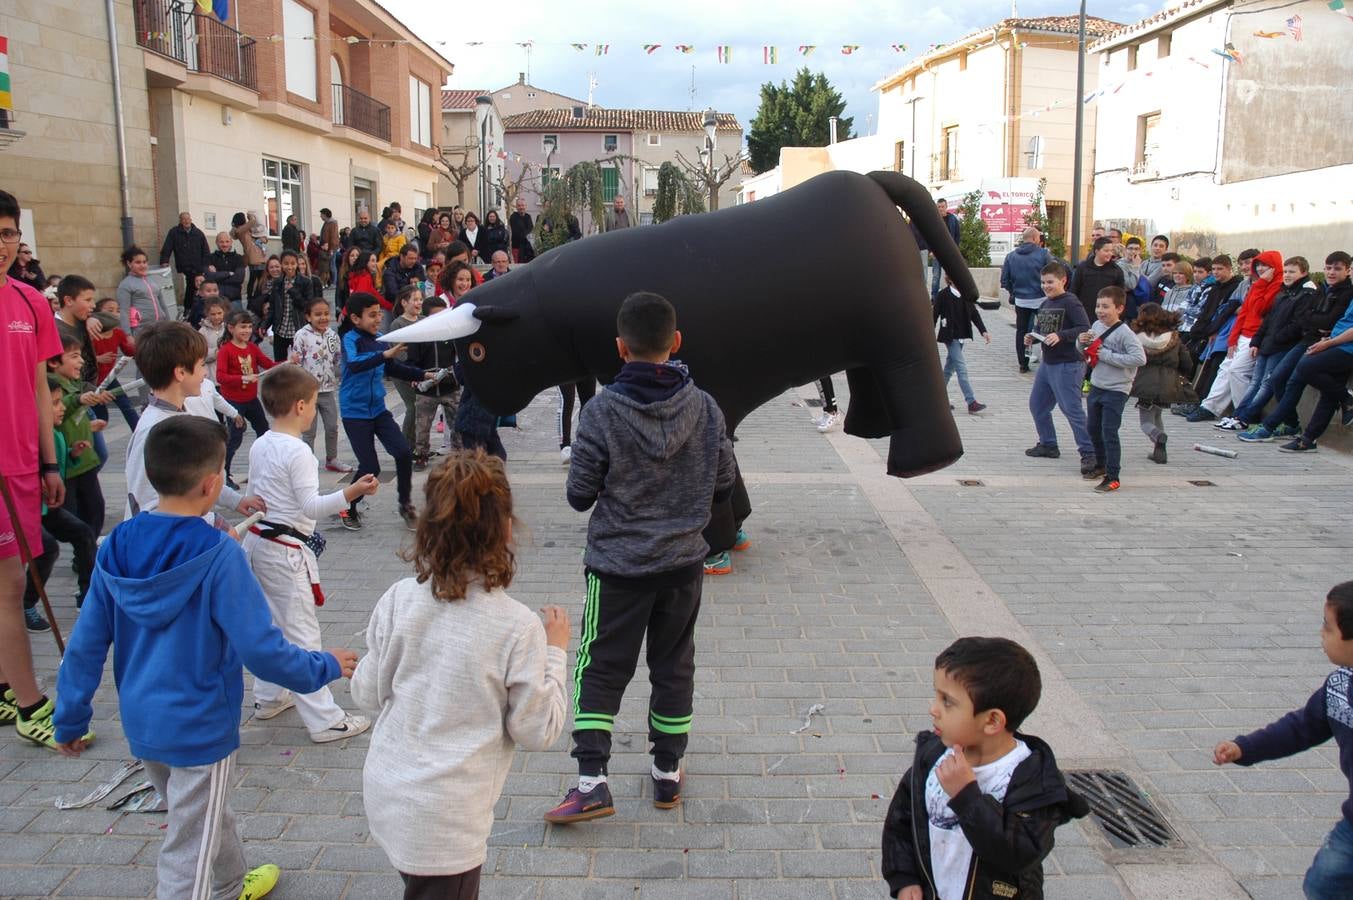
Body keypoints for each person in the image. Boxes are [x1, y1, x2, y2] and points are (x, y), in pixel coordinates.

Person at [54, 414, 358, 900]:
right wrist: (323, 665)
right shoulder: (220, 554)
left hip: (144, 722)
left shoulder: (114, 548)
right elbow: (263, 651)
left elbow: (86, 645)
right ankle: (210, 887)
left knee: (200, 813)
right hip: (200, 725)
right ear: (214, 483)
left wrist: (68, 717)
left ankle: (230, 883)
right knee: (187, 847)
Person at [545, 291, 736, 825]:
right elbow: (724, 484)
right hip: (682, 566)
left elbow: (580, 494)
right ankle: (667, 774)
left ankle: (591, 782)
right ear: (675, 343)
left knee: (600, 666)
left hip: (618, 567)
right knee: (674, 664)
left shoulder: (602, 410)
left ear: (620, 348)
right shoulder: (705, 406)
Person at [353, 450, 569, 898]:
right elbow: (536, 730)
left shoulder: (397, 598)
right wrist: (555, 654)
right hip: (447, 823)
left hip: (388, 792)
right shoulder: (517, 626)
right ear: (505, 529)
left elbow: (368, 696)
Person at [882, 637, 1087, 900]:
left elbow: (1019, 854)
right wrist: (904, 877)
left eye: (947, 701)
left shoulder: (1033, 782)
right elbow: (902, 820)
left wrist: (967, 797)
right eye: (936, 695)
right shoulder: (933, 757)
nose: (933, 709)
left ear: (991, 721)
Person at [245, 364, 377, 742]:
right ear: (301, 406)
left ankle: (269, 696)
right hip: (284, 551)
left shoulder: (261, 442)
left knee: (271, 626)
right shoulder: (298, 451)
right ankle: (324, 719)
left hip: (258, 543)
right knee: (302, 633)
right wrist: (352, 493)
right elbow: (310, 507)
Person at [1213, 581, 1353, 900]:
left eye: (1327, 626)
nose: (1321, 633)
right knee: (1323, 883)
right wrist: (1245, 747)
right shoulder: (1339, 686)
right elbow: (1300, 728)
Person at [0, 188, 70, 747]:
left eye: (7, 234)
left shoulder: (28, 301)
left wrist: (50, 462)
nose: (1, 245)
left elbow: (39, 385)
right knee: (9, 586)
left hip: (23, 465)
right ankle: (29, 703)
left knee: (12, 578)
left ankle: (6, 684)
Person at [337, 292, 433, 531]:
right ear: (356, 319)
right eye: (372, 315)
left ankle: (406, 504)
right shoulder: (350, 339)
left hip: (378, 409)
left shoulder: (380, 338)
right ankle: (347, 505)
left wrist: (422, 374)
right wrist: (384, 354)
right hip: (354, 412)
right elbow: (355, 364)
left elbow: (393, 367)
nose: (378, 318)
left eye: (379, 313)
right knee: (370, 467)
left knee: (402, 453)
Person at [1227, 257, 1318, 431]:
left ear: (1304, 273)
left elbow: (1297, 324)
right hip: (1267, 343)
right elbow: (1268, 319)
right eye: (1285, 271)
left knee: (1268, 383)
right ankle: (1239, 415)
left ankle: (1245, 417)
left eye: (1292, 272)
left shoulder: (1307, 293)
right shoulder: (1284, 291)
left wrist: (1275, 338)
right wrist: (1257, 340)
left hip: (1281, 346)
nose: (1288, 275)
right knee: (1256, 382)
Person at [32, 378, 98, 617]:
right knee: (45, 548)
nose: (61, 408)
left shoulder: (55, 434)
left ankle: (88, 594)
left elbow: (57, 463)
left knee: (84, 533)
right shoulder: (32, 437)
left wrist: (72, 454)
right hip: (30, 508)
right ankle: (27, 603)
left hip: (48, 505)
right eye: (55, 403)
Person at [1194, 249, 1283, 424]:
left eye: (1266, 265)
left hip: (1256, 336)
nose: (1261, 269)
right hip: (1242, 334)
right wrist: (1233, 339)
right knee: (1225, 369)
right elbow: (1243, 314)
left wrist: (1260, 285)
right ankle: (1210, 407)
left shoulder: (1276, 286)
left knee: (1237, 372)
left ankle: (1244, 414)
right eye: (1259, 265)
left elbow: (1260, 309)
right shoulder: (1252, 284)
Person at [1024, 263, 1097, 475]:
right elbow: (1042, 329)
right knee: (1038, 405)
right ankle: (1048, 443)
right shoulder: (1045, 303)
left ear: (1062, 280)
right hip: (1048, 363)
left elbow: (1085, 328)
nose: (1046, 286)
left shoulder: (1071, 301)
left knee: (1071, 409)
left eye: (1050, 282)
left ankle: (1089, 452)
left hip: (1068, 363)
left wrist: (1062, 336)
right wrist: (1032, 337)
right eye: (1043, 282)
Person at [1076, 286, 1146, 492]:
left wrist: (1105, 354)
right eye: (1098, 306)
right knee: (1093, 428)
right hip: (1097, 385)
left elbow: (1139, 359)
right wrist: (1081, 343)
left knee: (1109, 431)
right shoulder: (1096, 325)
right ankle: (1101, 464)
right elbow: (1087, 351)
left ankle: (1113, 476)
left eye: (1106, 307)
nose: (1100, 310)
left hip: (1117, 389)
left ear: (1120, 308)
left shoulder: (1125, 334)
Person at [47, 337, 108, 539]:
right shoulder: (50, 388)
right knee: (70, 517)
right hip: (69, 466)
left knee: (96, 509)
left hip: (85, 460)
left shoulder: (74, 384)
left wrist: (88, 427)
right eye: (74, 356)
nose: (81, 361)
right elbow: (64, 407)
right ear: (53, 362)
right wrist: (79, 399)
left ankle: (86, 553)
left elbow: (71, 419)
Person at [1129, 302, 1195, 465]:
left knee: (1146, 422)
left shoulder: (1136, 338)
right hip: (1169, 384)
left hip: (1145, 384)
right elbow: (1187, 363)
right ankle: (1159, 451)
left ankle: (1158, 437)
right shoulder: (1173, 338)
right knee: (1158, 414)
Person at [217, 311, 276, 487]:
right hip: (233, 401)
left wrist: (288, 362)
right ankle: (224, 474)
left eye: (249, 326)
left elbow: (268, 364)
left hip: (250, 399)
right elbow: (221, 377)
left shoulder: (252, 347)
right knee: (235, 437)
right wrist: (243, 378)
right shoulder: (226, 350)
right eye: (243, 327)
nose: (247, 330)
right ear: (231, 328)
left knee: (264, 432)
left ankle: (264, 468)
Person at [291, 297, 350, 473]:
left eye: (326, 314)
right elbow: (296, 362)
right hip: (307, 392)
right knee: (309, 430)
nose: (323, 318)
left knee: (332, 426)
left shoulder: (333, 335)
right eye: (318, 314)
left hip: (328, 389)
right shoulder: (301, 335)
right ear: (308, 316)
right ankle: (306, 462)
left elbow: (337, 358)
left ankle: (332, 459)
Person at [405, 294, 461, 469]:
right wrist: (415, 376)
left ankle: (459, 453)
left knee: (457, 422)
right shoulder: (418, 335)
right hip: (426, 389)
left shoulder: (451, 334)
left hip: (450, 386)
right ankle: (421, 454)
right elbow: (411, 361)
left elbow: (459, 357)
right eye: (436, 316)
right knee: (422, 425)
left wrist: (455, 374)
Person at [934, 275, 990, 414]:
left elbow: (974, 314)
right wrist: (928, 335)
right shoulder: (943, 295)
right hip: (950, 337)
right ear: (950, 279)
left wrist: (983, 331)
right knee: (961, 368)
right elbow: (933, 315)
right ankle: (971, 402)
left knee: (948, 370)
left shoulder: (966, 295)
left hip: (961, 337)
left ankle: (936, 400)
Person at [1001, 227, 1052, 372]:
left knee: (1022, 332)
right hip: (1041, 299)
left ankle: (1023, 363)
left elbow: (1004, 280)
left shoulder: (1011, 256)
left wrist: (1013, 292)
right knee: (1046, 329)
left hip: (1021, 300)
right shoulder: (1043, 254)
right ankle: (1048, 360)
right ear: (1036, 239)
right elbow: (1053, 273)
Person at [89, 297, 140, 429]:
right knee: (101, 414)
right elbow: (82, 356)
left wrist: (140, 347)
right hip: (93, 379)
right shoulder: (90, 334)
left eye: (117, 310)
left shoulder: (118, 333)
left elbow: (129, 351)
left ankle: (140, 432)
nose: (115, 313)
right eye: (110, 310)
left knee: (126, 405)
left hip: (109, 377)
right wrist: (98, 359)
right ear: (98, 313)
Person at [387, 285, 423, 447]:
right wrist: (413, 371)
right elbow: (400, 354)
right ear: (404, 302)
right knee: (413, 406)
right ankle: (406, 445)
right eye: (415, 300)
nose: (418, 303)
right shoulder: (398, 324)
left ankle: (419, 443)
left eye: (420, 299)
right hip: (403, 373)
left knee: (421, 408)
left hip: (422, 371)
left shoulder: (424, 320)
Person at [263, 249, 314, 361]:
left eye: (292, 263)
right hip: (280, 329)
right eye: (286, 263)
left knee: (299, 362)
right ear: (281, 264)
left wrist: (293, 291)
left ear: (297, 264)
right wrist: (265, 325)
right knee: (280, 362)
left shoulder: (306, 282)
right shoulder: (278, 282)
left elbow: (307, 307)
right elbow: (273, 308)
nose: (289, 267)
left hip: (297, 328)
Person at [160, 212, 211, 325]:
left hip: (198, 265)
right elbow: (167, 246)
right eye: (184, 219)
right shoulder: (174, 232)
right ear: (180, 220)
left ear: (191, 219)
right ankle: (189, 309)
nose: (186, 221)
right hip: (186, 265)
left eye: (188, 219)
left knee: (195, 286)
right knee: (192, 286)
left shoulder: (198, 233)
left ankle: (192, 308)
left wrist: (206, 264)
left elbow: (205, 250)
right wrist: (164, 261)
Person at [117, 245, 172, 336]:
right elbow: (124, 311)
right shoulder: (125, 285)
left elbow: (163, 306)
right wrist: (127, 335)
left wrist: (170, 326)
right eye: (138, 262)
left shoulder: (153, 282)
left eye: (144, 262)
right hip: (142, 330)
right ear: (129, 264)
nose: (142, 265)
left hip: (160, 327)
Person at [1069, 238, 1126, 320]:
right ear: (1096, 251)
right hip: (1084, 314)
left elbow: (1120, 295)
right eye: (1106, 251)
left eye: (1111, 251)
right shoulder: (1083, 267)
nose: (1110, 254)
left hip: (1107, 316)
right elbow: (1074, 290)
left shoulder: (1116, 270)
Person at [203, 231, 246, 309]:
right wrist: (228, 274)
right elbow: (208, 277)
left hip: (234, 300)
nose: (225, 244)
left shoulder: (238, 258)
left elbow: (239, 278)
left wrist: (217, 276)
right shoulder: (210, 258)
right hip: (216, 300)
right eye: (221, 242)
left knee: (238, 321)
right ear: (216, 242)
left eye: (227, 241)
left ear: (231, 242)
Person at [383, 244, 426, 319]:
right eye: (410, 258)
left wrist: (418, 284)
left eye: (415, 258)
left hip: (417, 303)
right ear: (402, 257)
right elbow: (392, 293)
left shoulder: (418, 267)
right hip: (398, 306)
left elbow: (422, 287)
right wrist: (409, 286)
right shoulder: (390, 271)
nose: (413, 261)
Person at [232, 212, 267, 299]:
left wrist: (263, 239)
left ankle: (258, 297)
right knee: (253, 279)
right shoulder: (239, 230)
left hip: (260, 254)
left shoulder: (247, 229)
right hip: (252, 256)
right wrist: (251, 216)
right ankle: (250, 299)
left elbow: (262, 236)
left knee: (260, 279)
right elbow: (252, 221)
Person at [931, 198, 961, 295]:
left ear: (946, 207)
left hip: (949, 253)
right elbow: (928, 235)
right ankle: (934, 298)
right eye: (939, 207)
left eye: (942, 207)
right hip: (937, 253)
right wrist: (931, 250)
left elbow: (957, 235)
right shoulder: (934, 220)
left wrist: (955, 250)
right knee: (936, 276)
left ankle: (951, 296)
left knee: (950, 276)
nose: (940, 209)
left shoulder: (952, 219)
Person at [509, 196, 535, 262]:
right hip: (517, 247)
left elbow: (531, 230)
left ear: (525, 206)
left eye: (523, 205)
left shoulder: (528, 216)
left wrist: (526, 232)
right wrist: (526, 232)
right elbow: (518, 233)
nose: (521, 207)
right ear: (516, 207)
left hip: (528, 247)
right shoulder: (513, 217)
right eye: (519, 205)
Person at [335, 245, 362, 310]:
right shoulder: (342, 274)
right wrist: (338, 310)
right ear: (348, 258)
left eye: (357, 255)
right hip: (347, 309)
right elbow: (338, 294)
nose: (355, 258)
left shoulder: (365, 274)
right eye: (352, 256)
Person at [319, 207, 340, 287]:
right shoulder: (327, 223)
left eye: (321, 215)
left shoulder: (332, 223)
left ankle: (333, 282)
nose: (320, 216)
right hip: (326, 247)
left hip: (331, 247)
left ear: (325, 215)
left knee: (332, 265)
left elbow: (333, 237)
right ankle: (330, 282)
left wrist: (331, 249)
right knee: (328, 265)